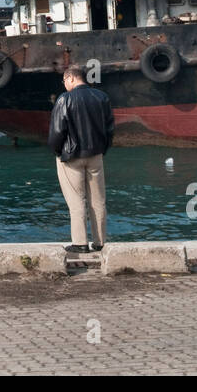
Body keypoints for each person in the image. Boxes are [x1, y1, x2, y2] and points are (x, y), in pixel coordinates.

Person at [48, 65, 113, 253]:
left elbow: (57, 132)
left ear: (71, 79)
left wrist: (57, 152)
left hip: (71, 157)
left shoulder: (64, 100)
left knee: (76, 200)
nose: (64, 85)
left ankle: (80, 243)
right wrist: (103, 149)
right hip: (96, 155)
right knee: (98, 200)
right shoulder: (102, 97)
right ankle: (100, 242)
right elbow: (110, 129)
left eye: (64, 81)